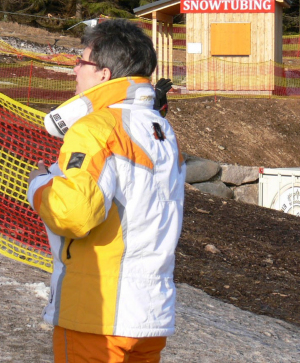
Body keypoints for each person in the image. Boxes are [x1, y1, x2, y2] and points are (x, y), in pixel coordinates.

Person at [27, 19, 185, 363]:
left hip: (97, 313)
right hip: (150, 315)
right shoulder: (161, 131)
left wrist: (39, 184)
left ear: (104, 74)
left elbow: (74, 214)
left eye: (81, 62)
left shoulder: (97, 128)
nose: (74, 70)